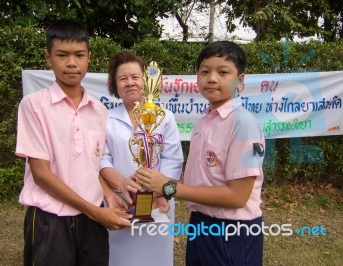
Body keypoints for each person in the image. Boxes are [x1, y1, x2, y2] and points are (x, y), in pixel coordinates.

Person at [136, 41, 265, 266]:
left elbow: (237, 197)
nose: (212, 78)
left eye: (223, 72)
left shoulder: (243, 124)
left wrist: (169, 187)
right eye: (205, 72)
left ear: (240, 81)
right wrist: (161, 193)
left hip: (233, 231)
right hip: (200, 224)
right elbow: (199, 178)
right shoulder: (204, 122)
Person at [15, 19, 130, 266]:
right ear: (48, 58)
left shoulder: (98, 110)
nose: (71, 63)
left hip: (92, 221)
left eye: (79, 55)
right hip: (49, 219)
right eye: (62, 55)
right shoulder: (34, 105)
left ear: (88, 57)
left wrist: (108, 194)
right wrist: (96, 211)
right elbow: (41, 175)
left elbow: (90, 165)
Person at [99, 51, 184, 266]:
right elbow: (101, 159)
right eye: (122, 78)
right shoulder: (105, 118)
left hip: (158, 203)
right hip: (121, 201)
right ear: (114, 84)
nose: (130, 83)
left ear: (146, 81)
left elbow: (173, 159)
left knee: (156, 258)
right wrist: (121, 183)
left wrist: (160, 192)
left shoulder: (164, 116)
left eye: (135, 77)